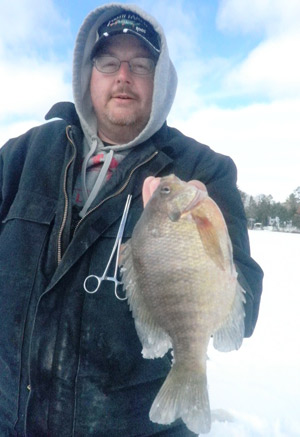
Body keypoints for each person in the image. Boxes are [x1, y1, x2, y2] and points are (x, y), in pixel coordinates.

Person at [0, 3, 263, 436]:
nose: (123, 75)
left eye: (140, 64)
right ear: (88, 74)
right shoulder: (23, 156)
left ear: (160, 81)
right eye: (108, 62)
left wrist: (206, 229)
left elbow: (245, 308)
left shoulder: (203, 170)